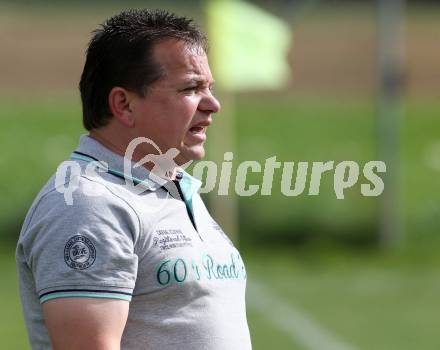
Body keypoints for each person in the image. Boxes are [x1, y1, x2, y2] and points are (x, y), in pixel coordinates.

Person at [16, 9, 252, 350]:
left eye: (209, 88)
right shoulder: (88, 205)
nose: (213, 104)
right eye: (190, 88)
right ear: (124, 105)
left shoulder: (170, 187)